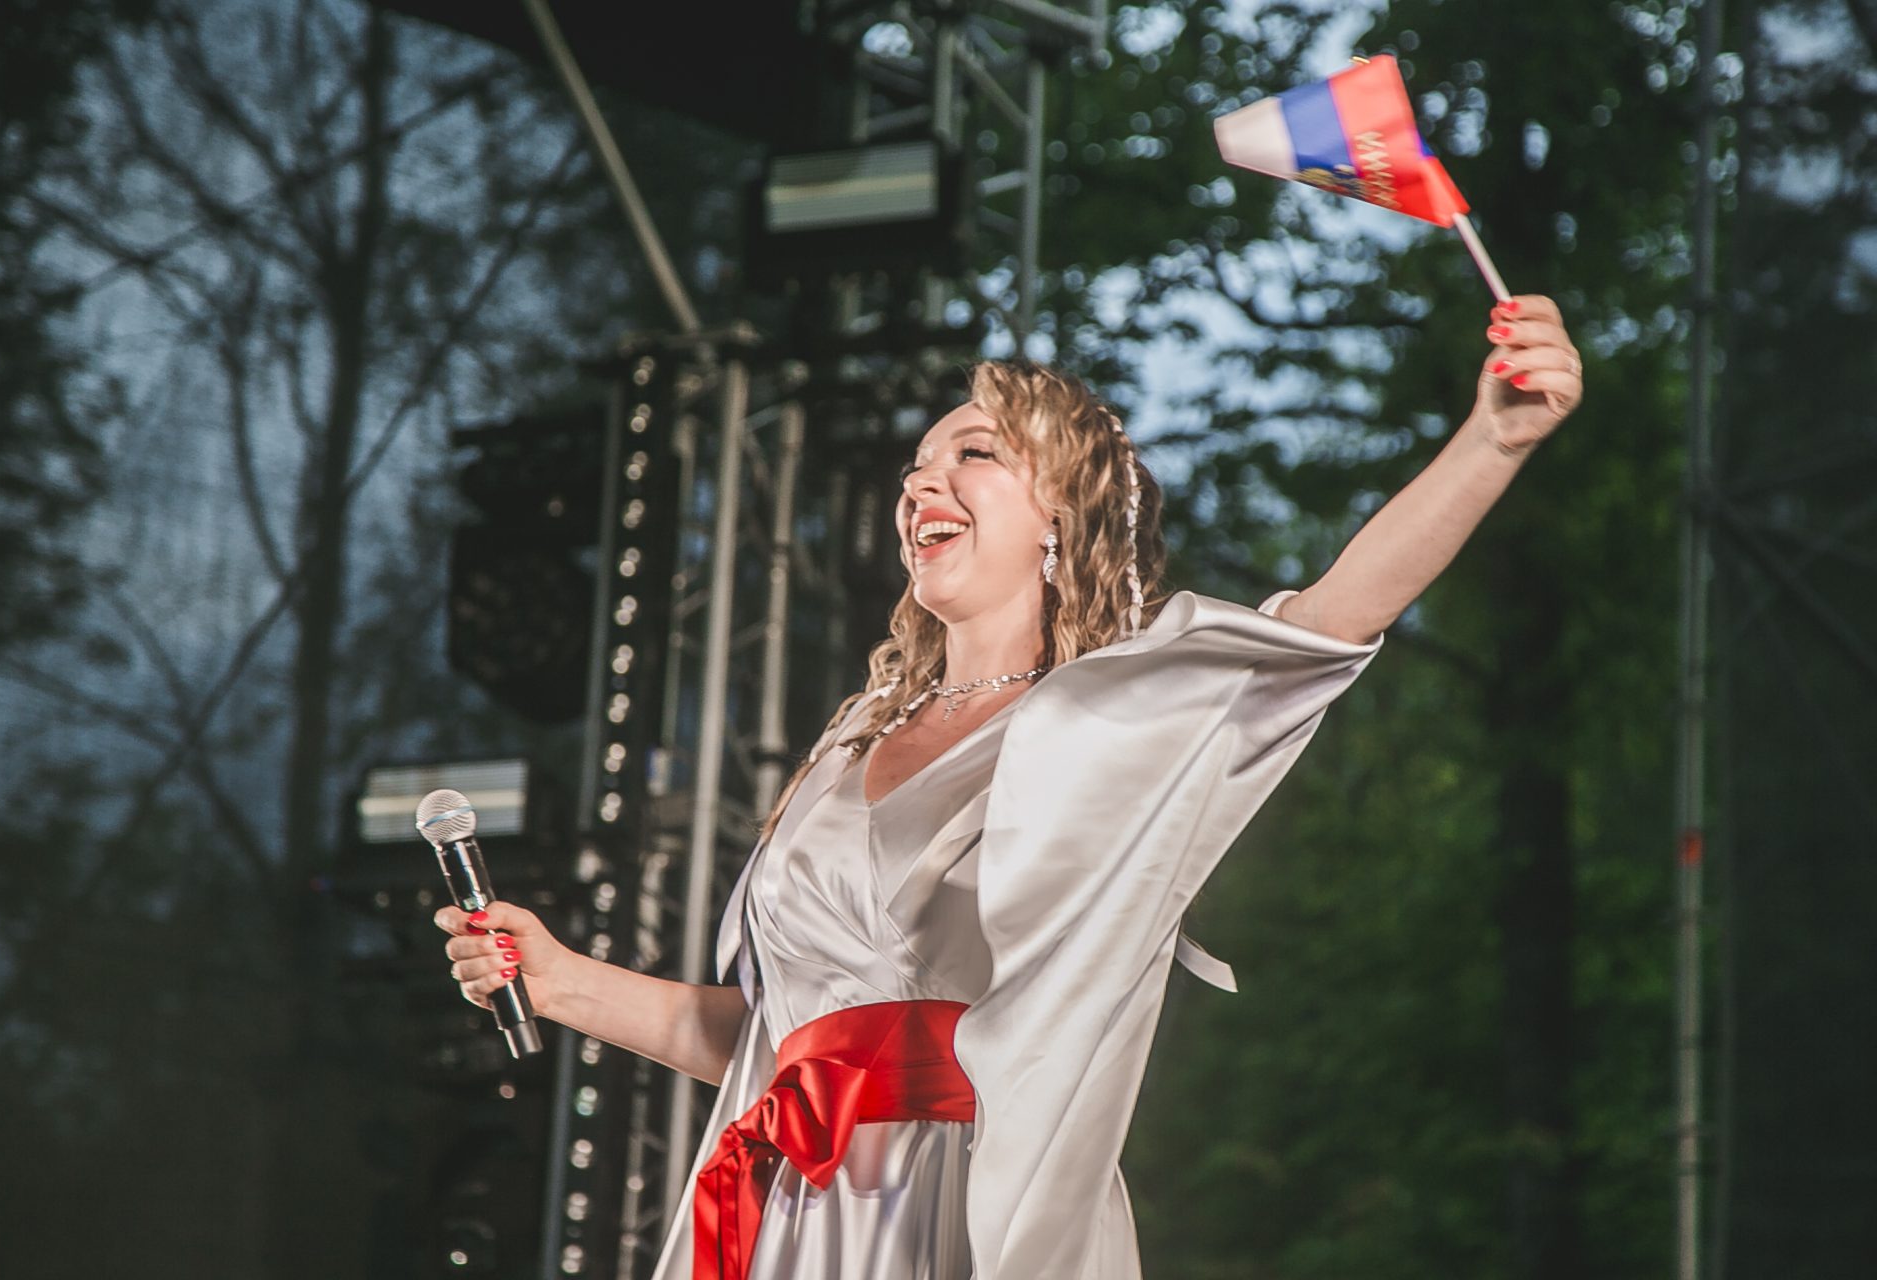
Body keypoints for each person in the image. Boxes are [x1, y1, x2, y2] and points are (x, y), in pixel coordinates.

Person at [435, 296, 1584, 1279]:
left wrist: (1491, 441)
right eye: (913, 470)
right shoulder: (843, 751)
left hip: (976, 1203)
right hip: (791, 1212)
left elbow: (1328, 619)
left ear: (1061, 515)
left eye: (973, 454)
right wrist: (563, 979)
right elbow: (781, 1041)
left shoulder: (1114, 725)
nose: (922, 483)